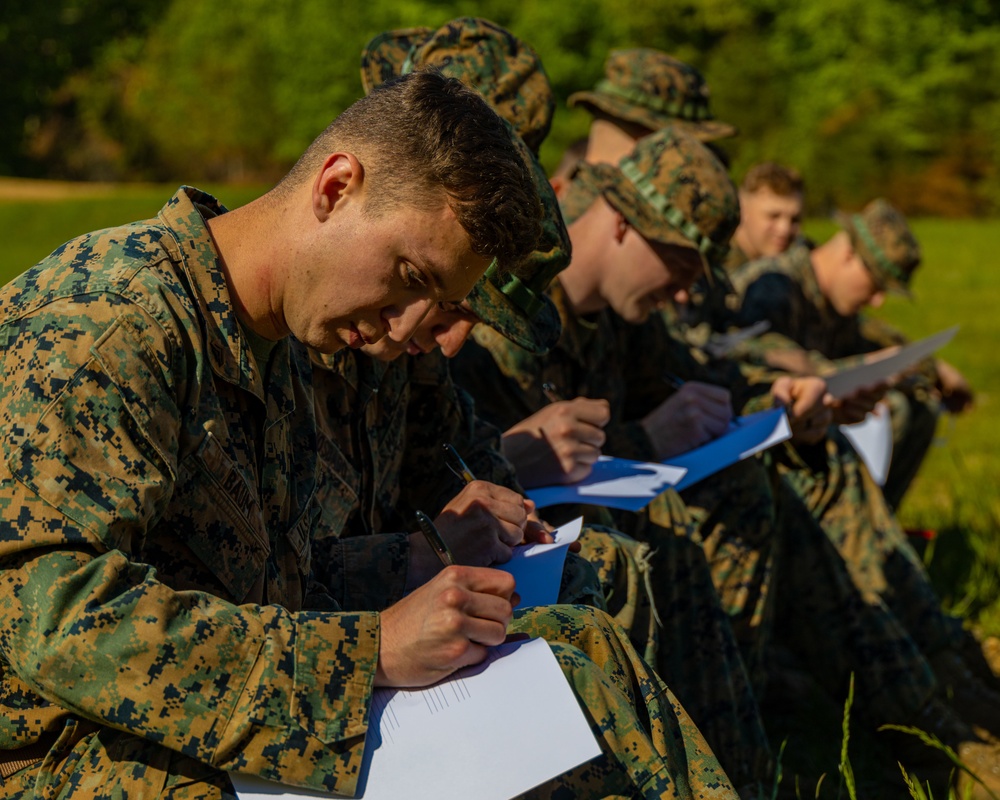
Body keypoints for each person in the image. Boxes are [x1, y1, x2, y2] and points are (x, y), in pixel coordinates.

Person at [0, 69, 734, 800]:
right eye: (409, 275)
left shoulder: (288, 334)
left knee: (579, 653)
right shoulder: (109, 324)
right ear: (334, 187)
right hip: (59, 755)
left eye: (438, 302)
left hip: (180, 723)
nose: (408, 328)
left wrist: (414, 576)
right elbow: (56, 623)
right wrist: (369, 652)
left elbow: (259, 586)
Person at [730, 197, 974, 508]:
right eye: (876, 285)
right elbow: (773, 359)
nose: (877, 301)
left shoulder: (834, 302)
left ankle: (878, 523)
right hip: (757, 437)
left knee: (920, 408)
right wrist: (875, 367)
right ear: (847, 256)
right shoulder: (774, 287)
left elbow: (878, 339)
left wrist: (931, 368)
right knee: (894, 410)